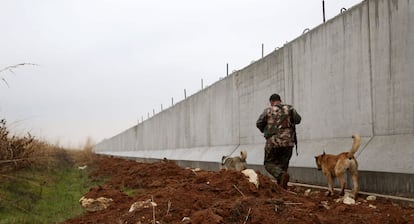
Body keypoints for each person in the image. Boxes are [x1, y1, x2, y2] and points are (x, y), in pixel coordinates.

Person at [256, 93, 301, 189]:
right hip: (288, 142)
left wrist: (265, 130)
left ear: (271, 102)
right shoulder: (290, 109)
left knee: (268, 163)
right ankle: (282, 188)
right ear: (280, 100)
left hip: (273, 143)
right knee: (283, 166)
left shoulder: (268, 111)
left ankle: (280, 177)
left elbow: (259, 123)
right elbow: (298, 120)